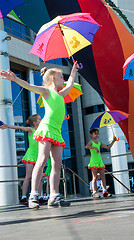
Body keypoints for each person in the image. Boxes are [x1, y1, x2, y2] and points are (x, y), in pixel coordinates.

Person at [0, 61, 79, 209]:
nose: (64, 79)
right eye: (62, 76)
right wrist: (15, 79)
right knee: (42, 160)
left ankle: (54, 196)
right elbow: (29, 86)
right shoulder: (46, 91)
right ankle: (33, 195)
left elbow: (71, 82)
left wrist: (73, 69)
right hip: (47, 129)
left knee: (56, 164)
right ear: (53, 78)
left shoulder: (61, 94)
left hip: (57, 132)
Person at [0, 114, 46, 204]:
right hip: (30, 155)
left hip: (39, 156)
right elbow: (19, 128)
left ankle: (39, 196)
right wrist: (7, 126)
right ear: (35, 122)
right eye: (39, 119)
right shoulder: (31, 130)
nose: (41, 120)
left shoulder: (42, 130)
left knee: (40, 178)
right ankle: (23, 197)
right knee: (28, 176)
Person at [85, 128, 117, 199]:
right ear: (91, 135)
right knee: (95, 177)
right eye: (95, 133)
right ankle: (94, 192)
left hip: (99, 161)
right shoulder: (91, 142)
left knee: (103, 177)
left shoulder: (99, 143)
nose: (97, 135)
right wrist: (94, 148)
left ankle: (105, 191)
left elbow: (108, 147)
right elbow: (86, 146)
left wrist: (113, 141)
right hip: (94, 161)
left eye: (97, 133)